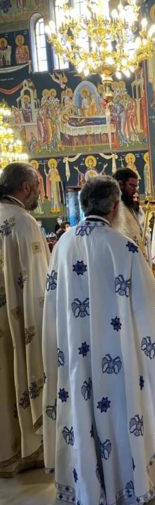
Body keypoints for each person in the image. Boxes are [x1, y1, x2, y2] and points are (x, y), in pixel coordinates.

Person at [42, 176, 155, 505]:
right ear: (115, 206)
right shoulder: (124, 247)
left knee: (83, 411)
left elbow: (52, 304)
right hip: (118, 357)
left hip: (76, 353)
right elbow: (148, 310)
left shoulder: (63, 245)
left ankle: (87, 483)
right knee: (120, 413)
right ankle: (126, 485)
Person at [0, 162, 50, 476]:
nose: (39, 194)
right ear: (26, 187)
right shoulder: (23, 222)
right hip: (19, 321)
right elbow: (40, 286)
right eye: (38, 187)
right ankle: (26, 450)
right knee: (18, 367)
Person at [113, 168, 148, 260]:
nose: (135, 191)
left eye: (136, 187)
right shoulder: (113, 208)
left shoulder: (127, 205)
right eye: (132, 186)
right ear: (120, 184)